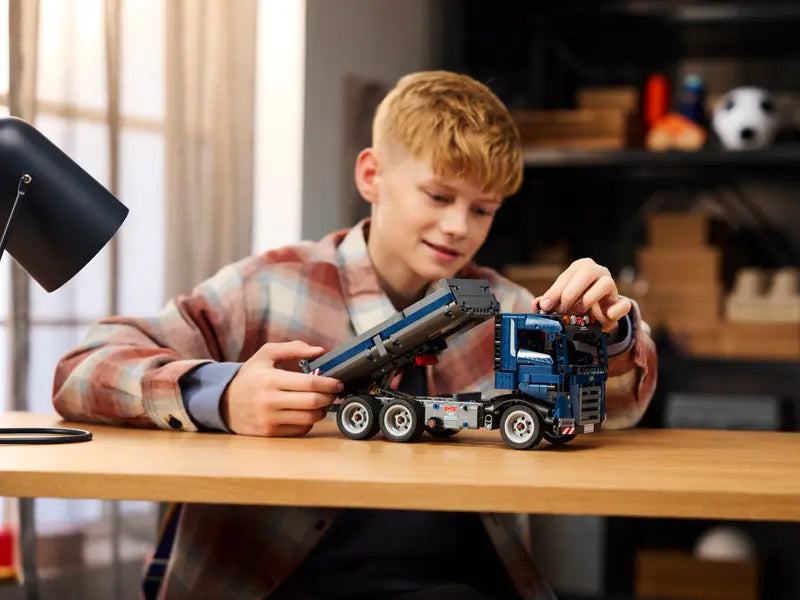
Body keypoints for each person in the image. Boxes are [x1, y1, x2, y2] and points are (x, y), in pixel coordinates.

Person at [53, 71, 656, 600]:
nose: (457, 226)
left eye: (483, 208)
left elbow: (622, 409)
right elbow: (83, 368)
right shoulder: (269, 287)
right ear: (372, 175)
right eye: (438, 195)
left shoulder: (511, 306)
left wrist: (611, 331)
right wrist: (224, 393)